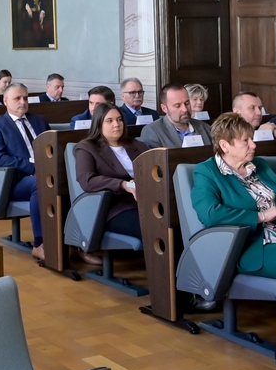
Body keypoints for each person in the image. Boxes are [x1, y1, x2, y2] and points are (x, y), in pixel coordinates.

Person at [192, 113, 276, 370]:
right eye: (246, 141)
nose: (254, 144)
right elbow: (210, 214)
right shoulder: (206, 171)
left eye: (252, 138)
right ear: (225, 145)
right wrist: (261, 216)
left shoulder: (258, 164)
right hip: (250, 244)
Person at [0, 83, 51, 259]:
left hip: (47, 174)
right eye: (17, 98)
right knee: (39, 184)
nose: (23, 102)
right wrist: (34, 167)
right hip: (16, 181)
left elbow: (52, 149)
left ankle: (73, 245)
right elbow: (0, 159)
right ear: (6, 101)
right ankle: (40, 244)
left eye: (25, 98)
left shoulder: (39, 120)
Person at [74, 103, 143, 253]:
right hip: (115, 208)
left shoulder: (137, 145)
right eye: (109, 121)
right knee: (153, 227)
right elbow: (87, 180)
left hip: (146, 202)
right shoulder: (86, 148)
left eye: (119, 119)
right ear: (99, 124)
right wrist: (122, 184)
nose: (116, 125)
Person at [139, 82, 213, 150]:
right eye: (177, 106)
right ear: (164, 108)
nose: (185, 109)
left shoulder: (205, 128)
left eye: (187, 103)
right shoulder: (153, 131)